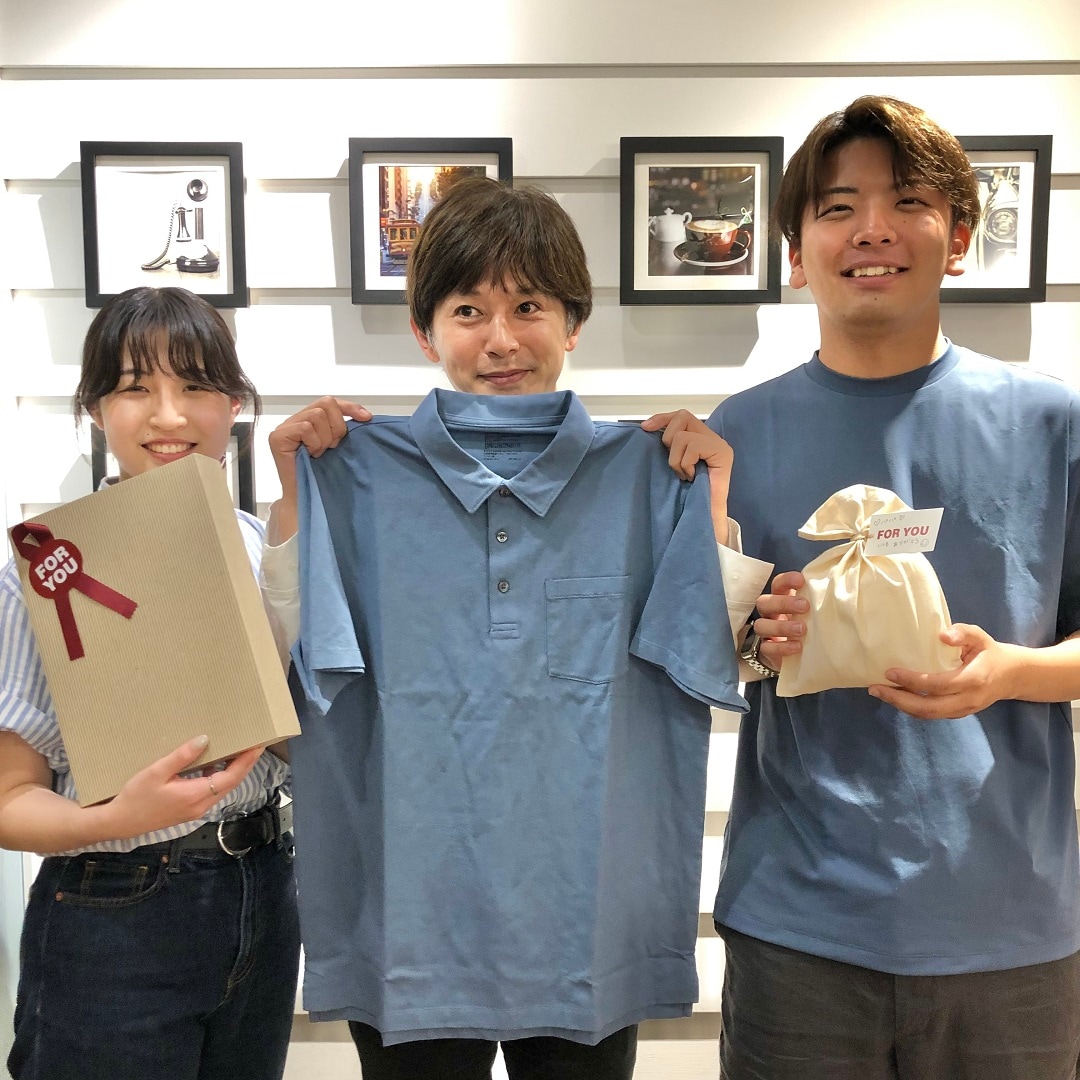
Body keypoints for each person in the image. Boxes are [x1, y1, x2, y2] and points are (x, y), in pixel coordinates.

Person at [265, 177, 756, 1080]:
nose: (499, 338)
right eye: (467, 310)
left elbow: (713, 663)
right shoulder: (344, 477)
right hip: (405, 922)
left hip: (588, 925)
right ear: (425, 331)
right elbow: (298, 668)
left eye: (528, 305)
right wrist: (299, 497)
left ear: (574, 324)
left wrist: (709, 505)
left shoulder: (657, 475)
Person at [707, 95, 1080, 1079]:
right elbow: (704, 654)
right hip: (799, 926)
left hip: (1012, 924)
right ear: (795, 252)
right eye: (838, 208)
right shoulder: (735, 434)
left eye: (907, 201)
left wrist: (1011, 673)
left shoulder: (1051, 422)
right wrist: (752, 639)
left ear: (957, 239)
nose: (872, 229)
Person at [0, 287, 301, 1080]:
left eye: (196, 384)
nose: (169, 414)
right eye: (135, 387)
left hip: (263, 887)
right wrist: (115, 817)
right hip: (114, 903)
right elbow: (7, 800)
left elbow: (314, 738)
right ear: (97, 411)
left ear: (233, 405)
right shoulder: (43, 573)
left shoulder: (267, 551)